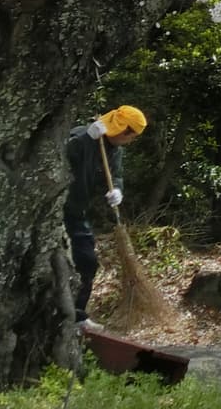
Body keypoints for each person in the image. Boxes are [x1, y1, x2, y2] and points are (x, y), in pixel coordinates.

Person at [64, 105, 147, 331]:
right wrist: (82, 141)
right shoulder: (82, 136)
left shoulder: (115, 150)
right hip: (58, 209)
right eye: (132, 137)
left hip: (78, 211)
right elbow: (57, 157)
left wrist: (116, 190)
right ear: (125, 132)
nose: (131, 141)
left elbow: (116, 175)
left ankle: (78, 315)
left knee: (88, 262)